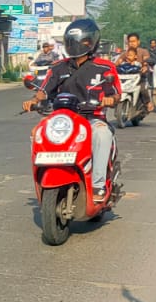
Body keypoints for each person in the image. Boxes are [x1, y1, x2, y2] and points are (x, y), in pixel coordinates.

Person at [21, 17, 118, 198]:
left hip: (92, 119)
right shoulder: (58, 68)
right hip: (63, 120)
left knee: (102, 134)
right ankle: (42, 176)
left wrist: (110, 100)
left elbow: (115, 94)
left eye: (82, 41)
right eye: (73, 41)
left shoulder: (104, 68)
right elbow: (44, 90)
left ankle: (98, 185)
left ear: (92, 42)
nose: (77, 45)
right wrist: (34, 100)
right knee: (37, 133)